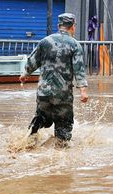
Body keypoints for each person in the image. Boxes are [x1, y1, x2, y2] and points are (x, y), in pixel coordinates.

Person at [20, 13, 89, 147]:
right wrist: (83, 91)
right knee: (64, 127)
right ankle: (60, 156)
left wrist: (25, 74)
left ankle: (26, 143)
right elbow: (79, 70)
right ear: (73, 27)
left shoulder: (45, 41)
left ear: (59, 26)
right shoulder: (75, 45)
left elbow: (32, 62)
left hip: (43, 93)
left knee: (40, 118)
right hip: (62, 94)